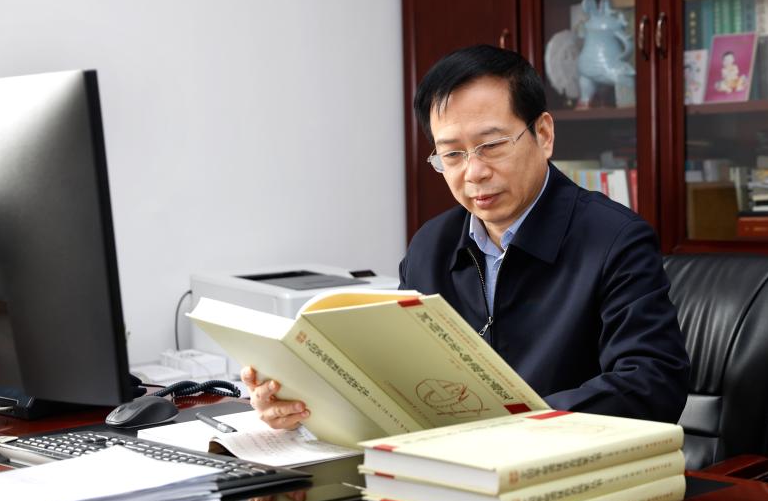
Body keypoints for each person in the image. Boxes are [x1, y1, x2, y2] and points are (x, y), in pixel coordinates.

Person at [243, 44, 689, 429]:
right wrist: (303, 404)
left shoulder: (615, 240)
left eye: (491, 146)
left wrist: (513, 427)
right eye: (452, 154)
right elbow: (395, 378)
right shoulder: (431, 246)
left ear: (544, 134)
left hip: (563, 473)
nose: (473, 172)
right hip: (451, 471)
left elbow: (651, 384)